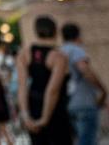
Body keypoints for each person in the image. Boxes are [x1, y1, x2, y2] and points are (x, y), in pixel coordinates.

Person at [16, 15, 71, 145]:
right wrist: (45, 119)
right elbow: (53, 90)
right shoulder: (58, 57)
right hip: (55, 111)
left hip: (33, 106)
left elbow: (22, 86)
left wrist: (25, 115)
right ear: (55, 31)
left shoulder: (24, 54)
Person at [61, 22, 107, 145]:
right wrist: (102, 90)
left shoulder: (59, 52)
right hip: (84, 102)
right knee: (87, 140)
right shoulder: (76, 51)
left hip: (66, 103)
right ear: (78, 36)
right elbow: (85, 70)